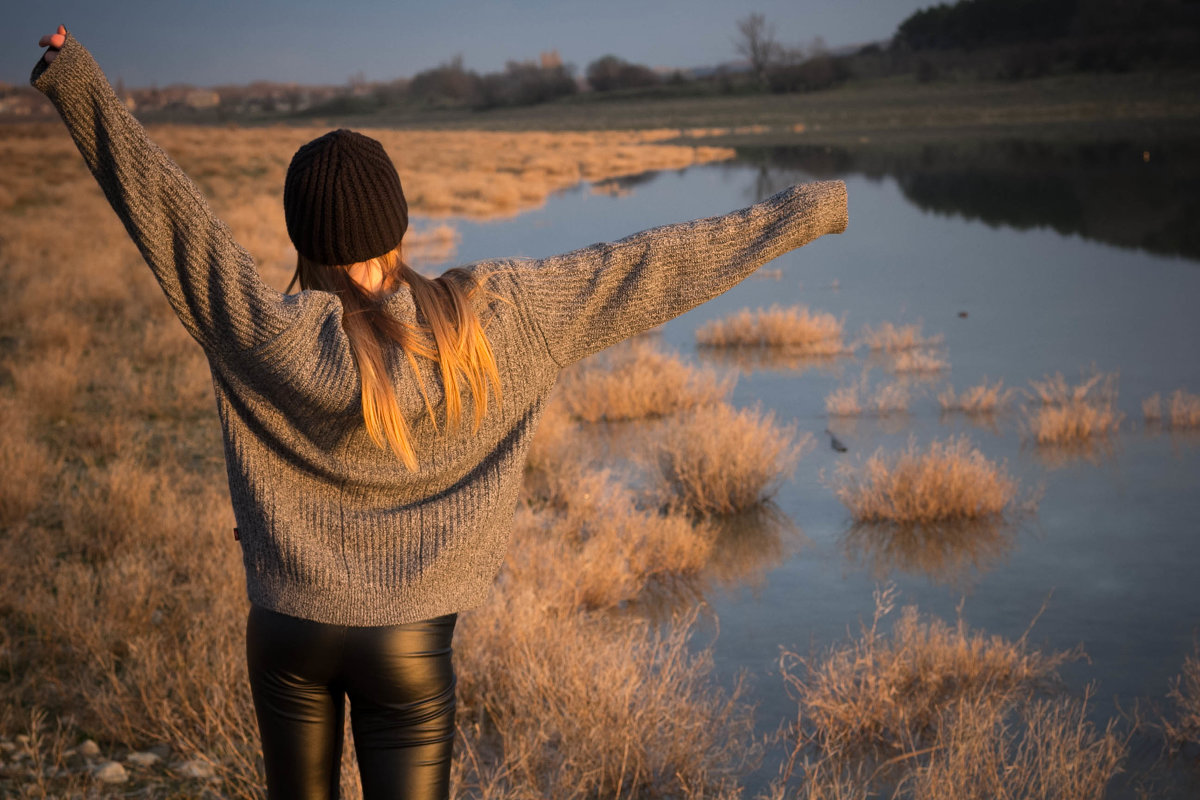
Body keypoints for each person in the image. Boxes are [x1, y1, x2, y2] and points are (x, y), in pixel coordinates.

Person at [34, 25, 848, 800]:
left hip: (287, 632)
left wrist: (80, 83)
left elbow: (172, 221)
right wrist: (801, 212)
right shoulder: (489, 318)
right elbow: (643, 267)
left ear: (302, 239)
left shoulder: (262, 331)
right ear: (398, 226)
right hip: (411, 645)